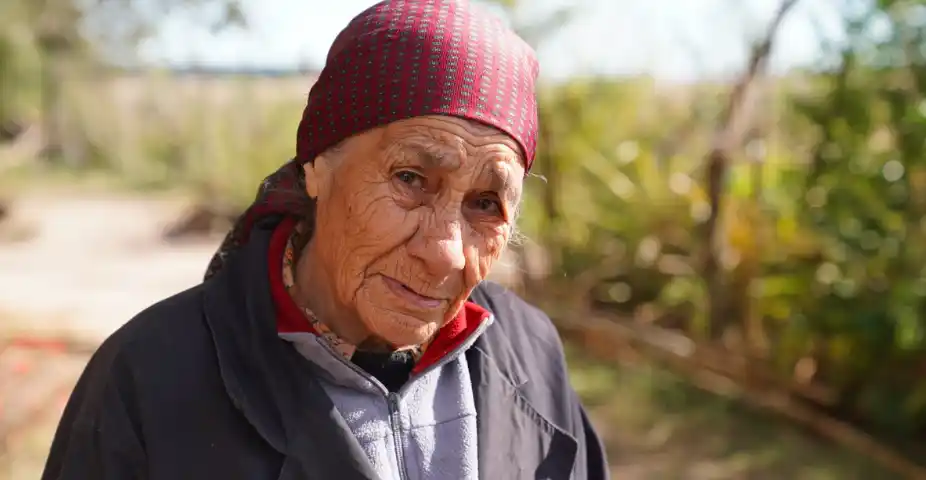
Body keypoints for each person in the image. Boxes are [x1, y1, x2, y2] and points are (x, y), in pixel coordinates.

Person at [41, 0, 609, 478]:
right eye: (410, 179)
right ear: (316, 165)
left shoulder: (530, 353)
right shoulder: (151, 376)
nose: (446, 251)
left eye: (486, 204)